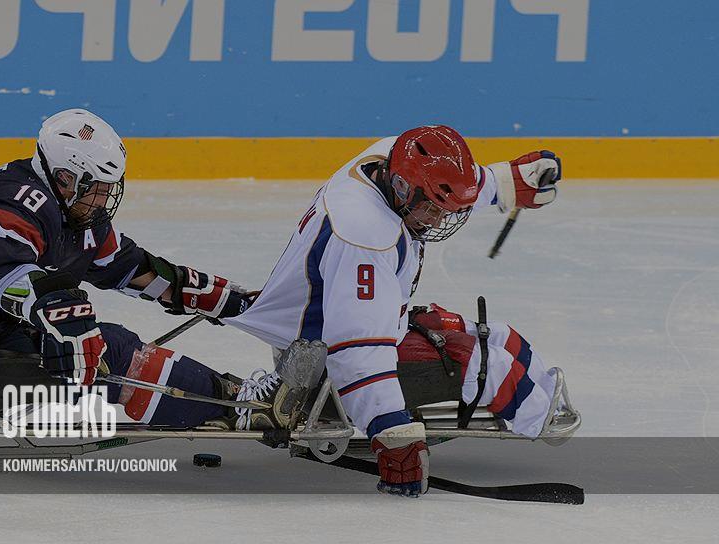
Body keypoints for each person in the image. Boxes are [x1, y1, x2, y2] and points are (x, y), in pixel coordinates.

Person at [0, 108, 301, 431]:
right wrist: (58, 311)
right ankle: (236, 407)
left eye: (109, 189)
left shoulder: (69, 210)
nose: (103, 200)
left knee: (81, 333)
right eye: (96, 189)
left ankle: (230, 397)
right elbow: (3, 271)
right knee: (104, 346)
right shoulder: (18, 203)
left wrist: (229, 301)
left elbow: (127, 267)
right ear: (65, 178)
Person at [226, 125, 564, 497]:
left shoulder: (389, 159)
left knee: (497, 335)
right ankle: (541, 419)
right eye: (431, 208)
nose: (438, 220)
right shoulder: (364, 235)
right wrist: (391, 435)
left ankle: (546, 401)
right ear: (402, 188)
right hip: (321, 368)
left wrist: (507, 182)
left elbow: (442, 180)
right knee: (487, 365)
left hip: (329, 327)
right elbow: (357, 354)